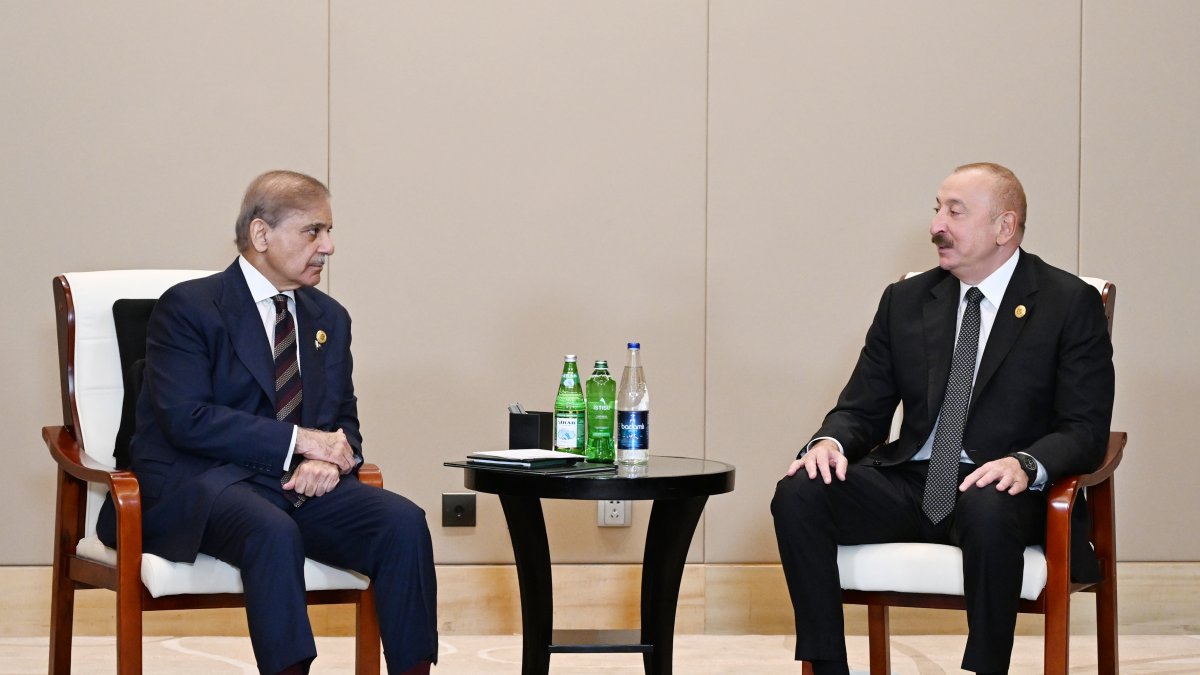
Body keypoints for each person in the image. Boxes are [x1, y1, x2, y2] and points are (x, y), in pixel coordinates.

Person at [771, 162, 1114, 674]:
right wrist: (831, 443)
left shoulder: (1067, 303)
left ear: (1005, 227)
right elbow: (862, 407)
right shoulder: (906, 301)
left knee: (986, 501)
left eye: (955, 211)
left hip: (1003, 489)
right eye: (937, 208)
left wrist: (1025, 463)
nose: (936, 224)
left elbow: (1086, 428)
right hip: (915, 480)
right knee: (799, 491)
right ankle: (827, 667)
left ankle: (985, 668)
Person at [98, 170, 438, 674]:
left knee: (402, 522)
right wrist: (302, 442)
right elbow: (186, 419)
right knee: (271, 531)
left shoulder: (329, 317)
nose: (330, 246)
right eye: (313, 231)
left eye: (330, 231)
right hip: (204, 482)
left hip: (295, 484)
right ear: (261, 235)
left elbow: (344, 418)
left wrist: (335, 462)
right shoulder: (189, 307)